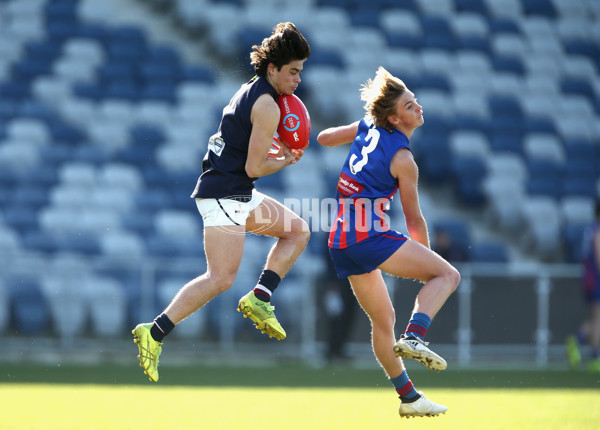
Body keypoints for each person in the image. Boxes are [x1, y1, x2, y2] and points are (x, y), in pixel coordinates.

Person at [132, 22, 311, 382]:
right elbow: (254, 165)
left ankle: (260, 297)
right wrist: (287, 159)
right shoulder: (267, 105)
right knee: (221, 278)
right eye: (292, 72)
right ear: (273, 68)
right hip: (226, 194)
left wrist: (273, 153)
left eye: (300, 73)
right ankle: (152, 332)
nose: (297, 81)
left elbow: (242, 146)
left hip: (235, 190)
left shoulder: (255, 91)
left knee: (297, 231)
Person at [317, 67, 460, 418]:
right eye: (410, 105)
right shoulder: (404, 159)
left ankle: (409, 398)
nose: (419, 108)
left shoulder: (368, 126)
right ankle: (416, 335)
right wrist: (427, 262)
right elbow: (413, 218)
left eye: (416, 102)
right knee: (448, 276)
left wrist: (356, 130)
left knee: (383, 322)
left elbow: (323, 138)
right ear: (395, 118)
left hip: (340, 239)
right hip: (368, 235)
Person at [566, 200, 600, 373]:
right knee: (597, 318)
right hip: (596, 279)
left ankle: (578, 339)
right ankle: (594, 357)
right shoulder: (597, 230)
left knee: (596, 317)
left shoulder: (590, 229)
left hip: (589, 278)